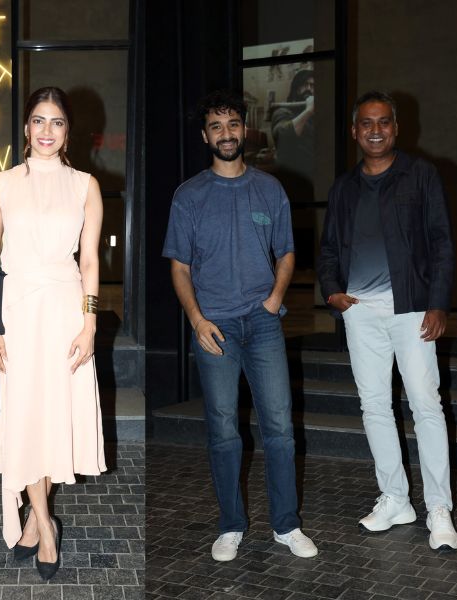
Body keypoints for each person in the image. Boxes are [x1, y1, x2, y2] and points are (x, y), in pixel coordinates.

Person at [163, 89, 318, 562]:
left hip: (263, 322)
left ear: (244, 130)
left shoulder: (269, 189)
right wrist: (196, 319)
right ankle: (231, 525)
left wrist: (274, 300)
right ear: (205, 136)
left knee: (280, 428)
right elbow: (179, 267)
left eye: (232, 124)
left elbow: (286, 252)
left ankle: (286, 525)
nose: (226, 134)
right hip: (214, 326)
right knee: (224, 429)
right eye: (216, 126)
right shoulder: (189, 195)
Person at [317, 91, 457, 551]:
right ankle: (396, 499)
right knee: (375, 406)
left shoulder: (420, 175)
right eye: (366, 123)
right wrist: (332, 291)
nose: (375, 130)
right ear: (354, 131)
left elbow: (442, 242)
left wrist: (438, 304)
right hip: (360, 311)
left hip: (412, 307)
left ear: (396, 128)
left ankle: (439, 508)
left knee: (425, 404)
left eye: (383, 122)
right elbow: (328, 249)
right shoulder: (344, 187)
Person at [0, 87, 106, 580]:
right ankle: (46, 527)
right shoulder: (2, 184)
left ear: (68, 131)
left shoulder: (85, 186)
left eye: (56, 122)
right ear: (26, 128)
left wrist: (90, 322)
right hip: (15, 313)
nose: (46, 130)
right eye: (38, 120)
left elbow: (91, 262)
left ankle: (36, 517)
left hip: (65, 312)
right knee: (24, 418)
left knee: (56, 419)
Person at [271, 68, 315, 202]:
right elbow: (282, 136)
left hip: (312, 180)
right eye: (305, 84)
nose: (309, 89)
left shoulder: (316, 117)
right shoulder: (282, 112)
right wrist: (308, 111)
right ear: (296, 88)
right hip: (289, 181)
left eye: (313, 86)